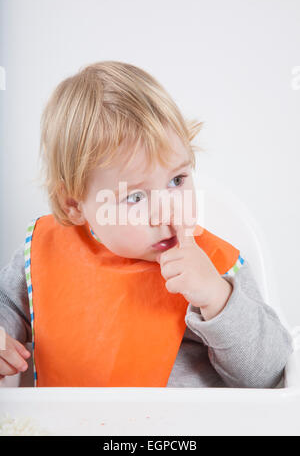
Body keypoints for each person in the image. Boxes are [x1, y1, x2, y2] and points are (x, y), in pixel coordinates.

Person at [0, 61, 294, 387]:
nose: (167, 212)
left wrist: (217, 298)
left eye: (177, 180)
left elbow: (271, 375)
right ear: (74, 204)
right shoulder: (45, 253)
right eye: (135, 197)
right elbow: (6, 308)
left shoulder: (216, 268)